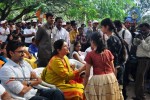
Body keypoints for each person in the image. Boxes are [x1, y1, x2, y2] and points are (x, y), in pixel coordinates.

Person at [0, 41, 65, 100]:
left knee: (57, 93)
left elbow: (38, 79)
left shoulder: (25, 63)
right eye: (20, 52)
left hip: (34, 91)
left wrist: (27, 83)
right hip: (23, 97)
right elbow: (21, 91)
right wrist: (33, 82)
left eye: (23, 51)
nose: (23, 54)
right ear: (11, 53)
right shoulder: (6, 70)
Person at [84, 33, 123, 100]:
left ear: (92, 41)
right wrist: (114, 81)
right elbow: (113, 69)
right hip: (111, 78)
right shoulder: (108, 52)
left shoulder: (90, 54)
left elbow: (87, 74)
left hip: (98, 80)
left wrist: (85, 87)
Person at [133, 23, 150, 100]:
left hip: (145, 60)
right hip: (139, 59)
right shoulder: (142, 35)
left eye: (143, 30)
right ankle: (138, 96)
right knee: (138, 78)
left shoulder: (149, 37)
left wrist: (142, 39)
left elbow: (147, 48)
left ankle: (141, 96)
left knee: (141, 78)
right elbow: (135, 44)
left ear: (148, 28)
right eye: (141, 30)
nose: (142, 31)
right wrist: (136, 38)